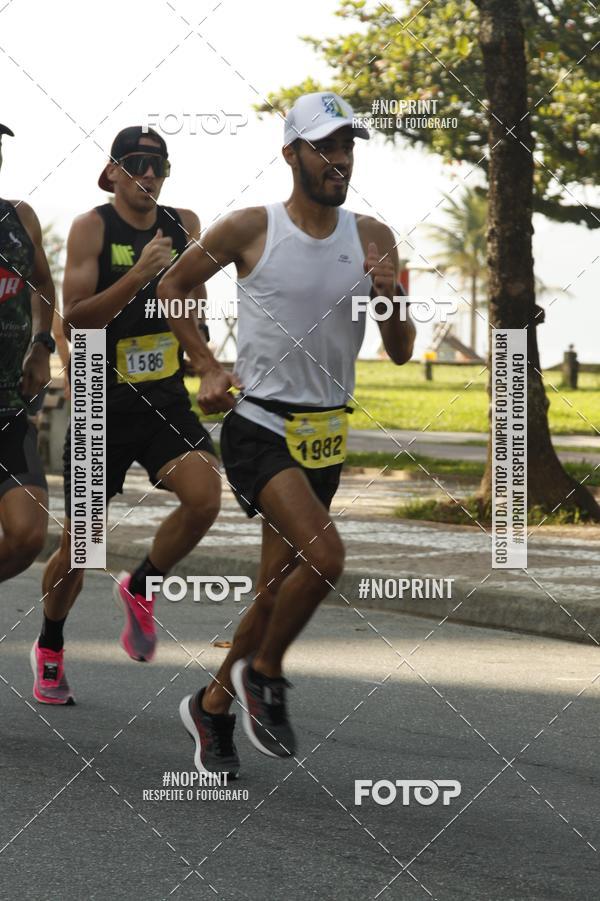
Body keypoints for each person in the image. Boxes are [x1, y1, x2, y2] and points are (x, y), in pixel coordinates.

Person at [158, 92, 416, 776]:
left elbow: (400, 350)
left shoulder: (374, 236)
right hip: (260, 424)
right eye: (325, 146)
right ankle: (264, 674)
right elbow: (173, 286)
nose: (340, 159)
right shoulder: (251, 227)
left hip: (325, 434)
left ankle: (212, 705)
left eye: (347, 146)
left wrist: (389, 297)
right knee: (325, 557)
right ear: (291, 154)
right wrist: (206, 364)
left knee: (275, 588)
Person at [34, 126, 229, 705]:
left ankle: (141, 585)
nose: (148, 175)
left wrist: (204, 361)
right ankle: (50, 646)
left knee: (205, 496)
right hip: (101, 395)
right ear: (113, 172)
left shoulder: (184, 224)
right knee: (83, 547)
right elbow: (77, 318)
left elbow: (189, 301)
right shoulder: (92, 226)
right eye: (137, 164)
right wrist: (140, 274)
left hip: (163, 393)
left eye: (158, 166)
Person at [0, 122, 57, 586]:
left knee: (27, 537)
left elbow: (41, 282)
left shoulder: (20, 217)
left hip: (9, 406)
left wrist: (42, 344)